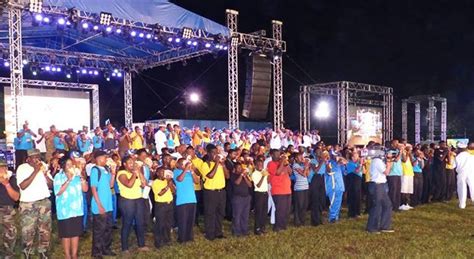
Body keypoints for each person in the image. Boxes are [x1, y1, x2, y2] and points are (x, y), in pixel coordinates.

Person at [16, 149, 53, 258]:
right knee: (28, 230)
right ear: (28, 158)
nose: (37, 159)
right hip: (28, 203)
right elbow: (22, 186)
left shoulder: (44, 166)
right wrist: (36, 171)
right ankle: (27, 253)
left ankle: (43, 252)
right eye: (34, 157)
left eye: (38, 156)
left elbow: (51, 185)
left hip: (44, 202)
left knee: (45, 229)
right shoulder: (22, 168)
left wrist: (45, 174)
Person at [53, 156, 88, 259]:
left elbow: (85, 189)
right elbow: (58, 192)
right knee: (66, 235)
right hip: (65, 211)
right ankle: (68, 256)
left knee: (75, 234)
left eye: (71, 164)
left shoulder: (77, 176)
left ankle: (74, 255)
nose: (71, 167)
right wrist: (68, 180)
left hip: (77, 210)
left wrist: (82, 177)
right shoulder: (58, 177)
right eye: (68, 165)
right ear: (63, 166)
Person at [116, 156, 149, 253]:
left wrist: (139, 172)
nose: (132, 164)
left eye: (133, 162)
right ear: (124, 164)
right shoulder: (122, 173)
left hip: (138, 199)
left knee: (140, 222)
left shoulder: (136, 173)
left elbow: (144, 183)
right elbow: (129, 184)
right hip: (127, 201)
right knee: (127, 223)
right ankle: (125, 248)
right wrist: (135, 173)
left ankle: (141, 245)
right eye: (130, 162)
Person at [200, 144, 229, 240]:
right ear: (208, 153)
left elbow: (227, 176)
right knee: (210, 213)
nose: (215, 155)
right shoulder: (205, 164)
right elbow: (210, 175)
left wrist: (223, 165)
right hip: (210, 192)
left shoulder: (220, 164)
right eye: (213, 153)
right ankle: (210, 234)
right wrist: (216, 164)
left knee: (220, 213)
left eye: (217, 152)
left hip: (221, 191)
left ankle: (218, 232)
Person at [90, 151, 116, 258]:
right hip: (99, 205)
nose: (106, 159)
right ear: (98, 158)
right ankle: (97, 252)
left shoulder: (106, 169)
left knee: (108, 228)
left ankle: (106, 248)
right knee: (99, 230)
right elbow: (94, 189)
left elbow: (110, 185)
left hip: (108, 204)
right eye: (105, 157)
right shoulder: (95, 170)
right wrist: (99, 205)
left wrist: (113, 173)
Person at [366, 145, 394, 233]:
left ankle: (384, 226)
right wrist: (389, 164)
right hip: (377, 185)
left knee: (387, 205)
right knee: (377, 206)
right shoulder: (377, 161)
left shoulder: (377, 161)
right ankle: (372, 227)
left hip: (380, 185)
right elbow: (386, 172)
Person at [173, 158, 199, 242]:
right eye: (184, 163)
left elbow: (197, 181)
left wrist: (191, 171)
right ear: (180, 165)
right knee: (182, 220)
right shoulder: (176, 172)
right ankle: (182, 238)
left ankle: (189, 237)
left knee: (190, 219)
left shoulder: (190, 172)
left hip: (192, 199)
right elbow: (179, 179)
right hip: (182, 200)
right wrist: (185, 170)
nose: (186, 165)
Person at [268, 149, 292, 232]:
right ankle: (277, 227)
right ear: (272, 155)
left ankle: (283, 225)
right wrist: (282, 162)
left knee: (286, 210)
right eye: (276, 154)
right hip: (278, 190)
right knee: (280, 210)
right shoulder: (271, 164)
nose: (279, 156)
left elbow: (290, 172)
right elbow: (277, 173)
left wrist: (286, 163)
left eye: (279, 154)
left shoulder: (283, 163)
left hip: (287, 190)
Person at [0, 158, 20, 258]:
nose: (1, 170)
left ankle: (7, 254)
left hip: (6, 209)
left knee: (11, 232)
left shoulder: (12, 179)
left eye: (2, 167)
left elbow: (16, 197)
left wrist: (6, 184)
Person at [152, 167, 175, 248]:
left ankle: (167, 240)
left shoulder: (167, 181)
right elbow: (160, 193)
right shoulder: (155, 182)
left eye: (164, 172)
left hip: (169, 204)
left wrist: (170, 183)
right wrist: (167, 186)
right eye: (161, 172)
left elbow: (174, 191)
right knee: (160, 224)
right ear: (157, 173)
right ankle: (158, 242)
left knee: (168, 223)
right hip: (161, 205)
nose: (163, 174)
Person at [230, 162, 252, 236]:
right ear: (235, 169)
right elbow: (237, 183)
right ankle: (236, 231)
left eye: (241, 168)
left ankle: (244, 230)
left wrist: (245, 177)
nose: (240, 169)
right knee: (237, 215)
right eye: (238, 168)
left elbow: (250, 185)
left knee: (245, 215)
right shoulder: (233, 175)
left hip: (246, 197)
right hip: (238, 198)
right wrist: (241, 175)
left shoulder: (245, 176)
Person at [325, 154, 346, 223]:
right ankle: (332, 218)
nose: (337, 157)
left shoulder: (339, 165)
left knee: (338, 202)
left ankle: (336, 216)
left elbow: (345, 170)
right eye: (335, 156)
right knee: (333, 202)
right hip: (333, 187)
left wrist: (341, 161)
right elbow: (329, 172)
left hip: (340, 187)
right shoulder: (329, 163)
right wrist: (327, 162)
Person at [251, 158, 269, 235]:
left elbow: (267, 181)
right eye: (258, 165)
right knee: (259, 212)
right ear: (255, 166)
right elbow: (258, 185)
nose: (260, 166)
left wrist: (266, 175)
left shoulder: (263, 172)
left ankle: (262, 227)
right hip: (259, 194)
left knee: (264, 212)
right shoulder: (254, 174)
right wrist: (262, 176)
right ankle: (257, 229)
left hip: (265, 193)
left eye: (261, 165)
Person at [292, 153, 310, 226]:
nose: (302, 158)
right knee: (299, 205)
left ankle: (302, 220)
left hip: (305, 187)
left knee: (305, 205)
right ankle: (297, 221)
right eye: (300, 157)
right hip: (299, 188)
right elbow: (303, 174)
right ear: (296, 158)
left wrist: (306, 166)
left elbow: (307, 174)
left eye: (302, 157)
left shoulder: (302, 165)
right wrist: (306, 166)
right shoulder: (295, 165)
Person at [455, 142, 474, 209]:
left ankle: (462, 205)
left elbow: (454, 165)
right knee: (473, 187)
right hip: (471, 172)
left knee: (462, 188)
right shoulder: (471, 156)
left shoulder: (457, 157)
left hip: (461, 173)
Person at [346, 151, 363, 218]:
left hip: (358, 180)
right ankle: (352, 213)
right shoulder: (350, 163)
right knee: (353, 196)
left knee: (358, 196)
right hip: (353, 180)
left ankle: (357, 212)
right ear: (352, 157)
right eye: (356, 156)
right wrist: (360, 164)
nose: (358, 158)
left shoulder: (357, 163)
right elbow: (356, 171)